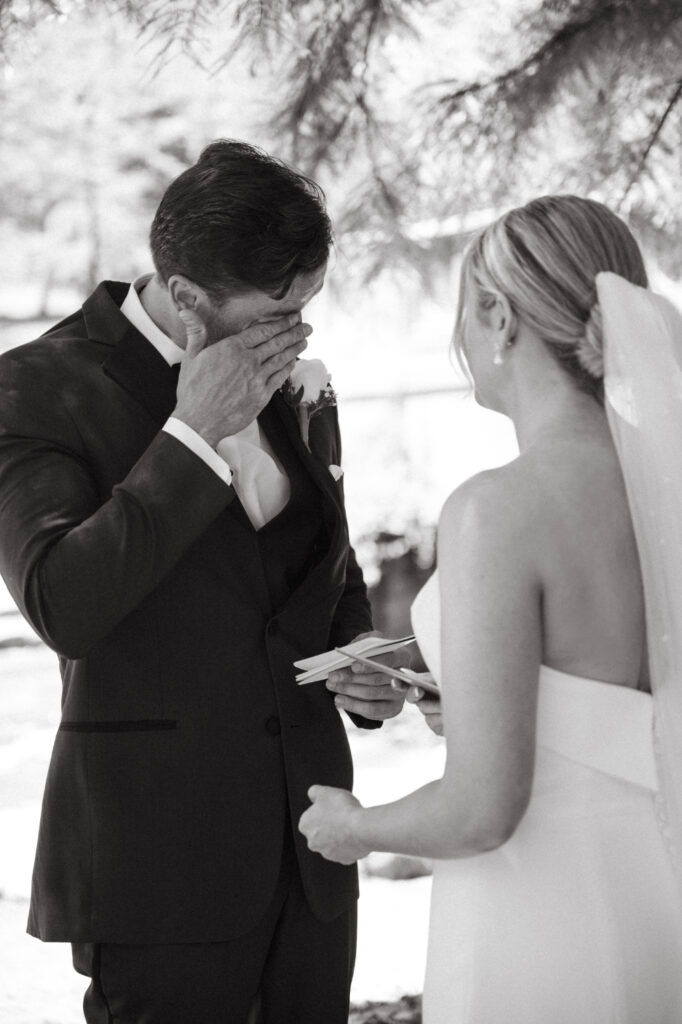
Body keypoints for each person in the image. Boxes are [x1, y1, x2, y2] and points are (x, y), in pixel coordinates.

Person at [0, 139, 407, 1024]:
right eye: (276, 312)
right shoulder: (34, 388)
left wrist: (366, 672)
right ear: (187, 298)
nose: (299, 332)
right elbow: (62, 603)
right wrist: (193, 432)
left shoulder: (302, 382)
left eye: (309, 304)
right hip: (158, 868)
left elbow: (321, 572)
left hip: (313, 851)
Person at [299, 195, 682, 1023]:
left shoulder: (496, 511)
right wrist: (467, 695)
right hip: (656, 889)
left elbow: (481, 811)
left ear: (499, 316)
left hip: (543, 909)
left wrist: (353, 828)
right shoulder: (666, 496)